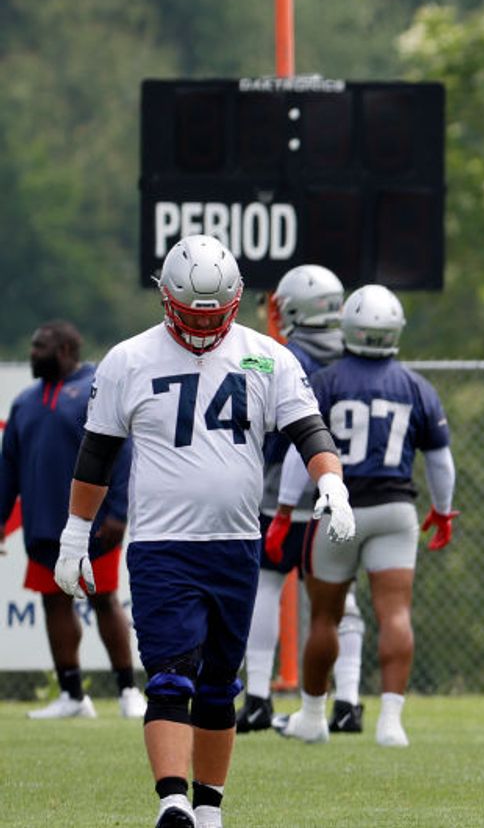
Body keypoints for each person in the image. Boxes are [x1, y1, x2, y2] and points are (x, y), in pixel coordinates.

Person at [56, 235, 354, 828]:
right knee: (170, 676)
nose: (203, 326)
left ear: (236, 301)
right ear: (166, 300)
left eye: (214, 315)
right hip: (162, 545)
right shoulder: (129, 360)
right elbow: (96, 457)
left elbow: (311, 433)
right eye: (193, 315)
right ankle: (172, 804)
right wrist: (74, 535)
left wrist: (332, 484)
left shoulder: (268, 357)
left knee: (220, 685)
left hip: (235, 543)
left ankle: (209, 810)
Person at [274, 284, 456, 749]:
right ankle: (390, 722)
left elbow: (301, 454)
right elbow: (440, 461)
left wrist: (283, 509)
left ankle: (313, 716)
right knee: (395, 613)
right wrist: (442, 509)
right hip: (395, 509)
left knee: (324, 618)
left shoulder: (328, 381)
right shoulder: (416, 386)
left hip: (340, 507)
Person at [236, 265, 368, 735]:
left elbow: (284, 436)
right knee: (340, 598)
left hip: (285, 491)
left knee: (267, 585)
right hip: (345, 490)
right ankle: (349, 700)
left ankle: (256, 697)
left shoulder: (286, 356)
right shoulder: (358, 354)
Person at [0, 320, 144, 720]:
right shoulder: (25, 402)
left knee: (104, 600)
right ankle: (72, 695)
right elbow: (8, 465)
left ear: (64, 349)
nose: (32, 353)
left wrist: (118, 511)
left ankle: (128, 690)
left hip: (95, 524)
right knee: (53, 604)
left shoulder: (95, 388)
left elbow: (123, 452)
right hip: (43, 525)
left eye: (39, 346)